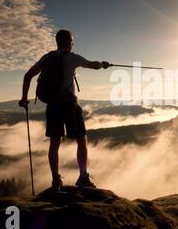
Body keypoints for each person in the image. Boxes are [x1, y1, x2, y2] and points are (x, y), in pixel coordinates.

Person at [19, 29, 110, 191]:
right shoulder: (71, 57)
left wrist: (24, 98)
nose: (73, 44)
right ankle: (83, 177)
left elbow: (28, 75)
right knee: (81, 139)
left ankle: (55, 180)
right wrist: (103, 64)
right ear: (68, 41)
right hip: (69, 105)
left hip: (52, 105)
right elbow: (93, 65)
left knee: (54, 143)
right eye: (72, 41)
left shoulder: (47, 58)